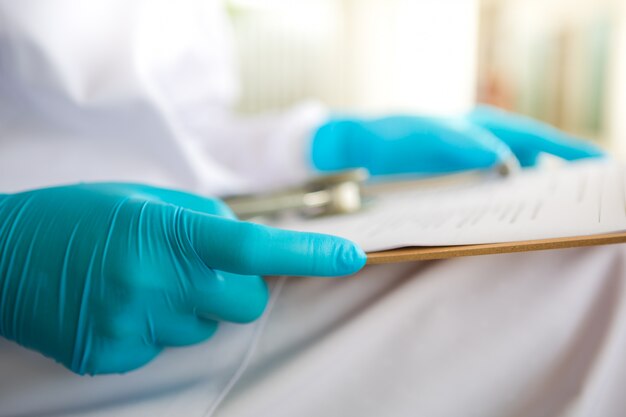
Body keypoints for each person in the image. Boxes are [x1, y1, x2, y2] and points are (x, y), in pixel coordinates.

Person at [1, 1, 624, 416]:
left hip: (185, 258)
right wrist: (6, 253)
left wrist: (310, 145)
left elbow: (156, 121)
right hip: (42, 341)